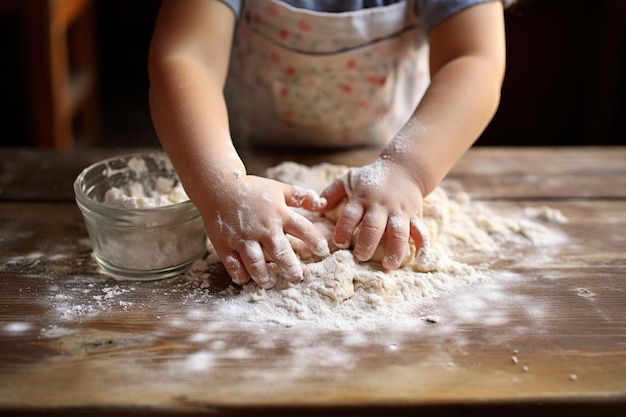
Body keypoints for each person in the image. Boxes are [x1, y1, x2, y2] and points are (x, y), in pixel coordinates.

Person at [148, 0, 512, 289]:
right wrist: (221, 184)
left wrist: (408, 169)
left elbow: (473, 58)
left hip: (390, 153)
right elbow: (188, 56)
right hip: (248, 158)